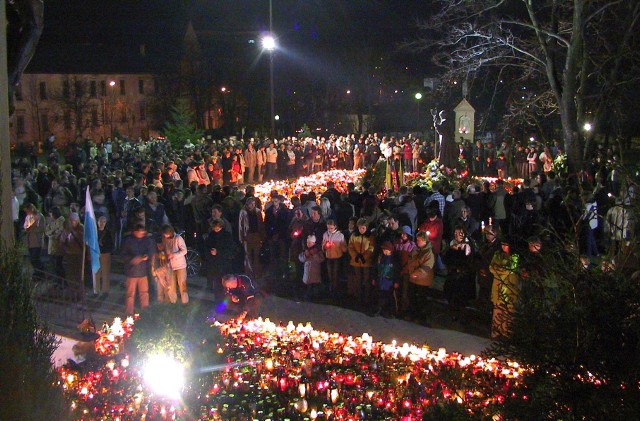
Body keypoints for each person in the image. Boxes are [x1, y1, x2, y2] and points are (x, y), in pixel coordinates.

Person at [120, 224, 155, 316]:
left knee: (144, 293)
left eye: (143, 232)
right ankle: (129, 313)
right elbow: (123, 255)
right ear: (135, 232)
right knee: (130, 294)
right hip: (131, 273)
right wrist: (133, 259)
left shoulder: (146, 241)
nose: (141, 233)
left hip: (143, 272)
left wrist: (147, 256)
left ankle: (145, 313)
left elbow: (151, 251)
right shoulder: (128, 241)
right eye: (139, 232)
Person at [489, 239, 520, 338]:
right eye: (502, 244)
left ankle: (506, 333)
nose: (503, 247)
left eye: (506, 245)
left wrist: (498, 269)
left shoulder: (515, 256)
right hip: (498, 287)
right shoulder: (498, 254)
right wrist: (500, 269)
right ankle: (496, 332)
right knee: (497, 310)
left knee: (508, 311)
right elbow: (491, 267)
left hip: (509, 287)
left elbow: (510, 269)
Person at [444, 226, 475, 320]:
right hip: (452, 274)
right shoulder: (452, 244)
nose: (456, 235)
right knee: (450, 292)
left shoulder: (467, 245)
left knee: (460, 296)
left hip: (462, 276)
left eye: (459, 233)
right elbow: (447, 257)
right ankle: (453, 311)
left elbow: (466, 260)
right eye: (455, 233)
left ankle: (460, 314)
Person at [405, 231, 435, 322]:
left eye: (419, 240)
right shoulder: (415, 250)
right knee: (412, 297)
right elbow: (410, 260)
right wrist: (411, 271)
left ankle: (421, 317)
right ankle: (413, 314)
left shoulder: (429, 253)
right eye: (417, 240)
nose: (417, 242)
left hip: (422, 281)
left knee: (421, 299)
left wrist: (414, 274)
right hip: (413, 279)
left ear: (424, 240)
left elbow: (425, 268)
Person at [348, 218, 375, 304]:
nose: (361, 230)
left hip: (366, 262)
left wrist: (364, 257)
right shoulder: (354, 236)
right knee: (358, 279)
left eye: (363, 228)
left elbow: (371, 248)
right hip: (356, 261)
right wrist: (356, 256)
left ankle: (367, 298)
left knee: (367, 280)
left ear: (366, 228)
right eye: (360, 228)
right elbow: (350, 247)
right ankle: (358, 297)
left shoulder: (370, 237)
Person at [161, 224, 189, 304]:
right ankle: (172, 301)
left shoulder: (178, 238)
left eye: (166, 234)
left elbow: (184, 250)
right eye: (164, 234)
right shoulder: (165, 239)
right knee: (171, 284)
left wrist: (174, 255)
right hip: (170, 266)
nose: (165, 236)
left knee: (182, 283)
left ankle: (185, 301)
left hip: (180, 265)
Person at [205, 218, 234, 293]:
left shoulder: (227, 235)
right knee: (217, 280)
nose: (216, 230)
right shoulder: (211, 235)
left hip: (224, 262)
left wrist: (218, 252)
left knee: (225, 280)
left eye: (218, 228)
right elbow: (207, 246)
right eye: (214, 228)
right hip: (214, 263)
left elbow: (229, 249)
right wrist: (210, 252)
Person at [239, 197, 265, 279]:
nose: (252, 205)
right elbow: (240, 226)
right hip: (248, 235)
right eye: (251, 204)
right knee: (248, 255)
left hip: (256, 235)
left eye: (253, 204)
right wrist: (241, 238)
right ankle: (249, 273)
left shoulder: (257, 212)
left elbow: (261, 224)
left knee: (256, 254)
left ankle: (257, 272)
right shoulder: (243, 212)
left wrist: (262, 236)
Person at [60, 212, 85, 295]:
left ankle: (79, 292)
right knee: (70, 274)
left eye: (73, 220)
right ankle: (73, 290)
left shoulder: (81, 229)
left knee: (78, 274)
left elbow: (85, 242)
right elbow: (62, 241)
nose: (72, 222)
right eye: (70, 220)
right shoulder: (67, 230)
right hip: (69, 254)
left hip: (79, 255)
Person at [373, 241, 399, 317]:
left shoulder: (394, 259)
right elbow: (376, 268)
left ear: (391, 250)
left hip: (389, 281)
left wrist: (396, 281)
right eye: (384, 250)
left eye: (387, 251)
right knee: (379, 296)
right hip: (381, 280)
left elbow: (396, 271)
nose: (385, 252)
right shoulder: (380, 257)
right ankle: (378, 309)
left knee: (388, 297)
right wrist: (374, 278)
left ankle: (388, 311)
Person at [322, 219, 347, 293]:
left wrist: (336, 245)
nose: (329, 230)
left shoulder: (340, 235)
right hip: (329, 257)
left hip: (337, 257)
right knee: (330, 273)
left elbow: (344, 248)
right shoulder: (325, 234)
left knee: (335, 273)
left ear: (335, 227)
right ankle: (331, 287)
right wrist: (325, 246)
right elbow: (323, 246)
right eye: (328, 228)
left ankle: (335, 288)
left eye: (331, 228)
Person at [151, 237, 177, 304]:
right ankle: (160, 303)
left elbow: (170, 263)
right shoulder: (155, 254)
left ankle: (169, 302)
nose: (160, 247)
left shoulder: (168, 251)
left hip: (167, 272)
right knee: (159, 289)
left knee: (168, 288)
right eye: (158, 245)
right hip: (159, 273)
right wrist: (155, 275)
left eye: (161, 245)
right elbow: (153, 265)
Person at [299, 234, 325, 301]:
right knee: (308, 287)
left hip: (315, 273)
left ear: (313, 243)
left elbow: (321, 260)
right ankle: (308, 296)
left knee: (315, 287)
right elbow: (301, 259)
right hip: (307, 274)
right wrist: (305, 255)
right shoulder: (305, 250)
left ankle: (316, 297)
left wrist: (315, 255)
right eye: (307, 242)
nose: (308, 244)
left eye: (309, 242)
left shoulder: (317, 251)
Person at [94, 216, 114, 297]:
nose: (101, 223)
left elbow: (111, 245)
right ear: (97, 222)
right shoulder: (94, 231)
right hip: (96, 254)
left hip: (105, 254)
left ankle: (105, 291)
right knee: (96, 273)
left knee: (105, 273)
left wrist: (104, 245)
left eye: (103, 222)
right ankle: (96, 290)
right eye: (100, 221)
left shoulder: (108, 232)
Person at [45, 206, 65, 278]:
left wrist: (53, 232)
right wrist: (52, 231)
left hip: (58, 246)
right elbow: (47, 231)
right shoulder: (51, 221)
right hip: (51, 246)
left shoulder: (61, 220)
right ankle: (56, 280)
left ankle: (61, 281)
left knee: (58, 265)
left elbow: (59, 231)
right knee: (53, 265)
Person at [23, 203, 44, 271]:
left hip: (37, 241)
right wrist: (27, 228)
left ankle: (40, 273)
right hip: (30, 242)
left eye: (28, 211)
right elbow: (25, 226)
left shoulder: (40, 216)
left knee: (36, 259)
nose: (27, 213)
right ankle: (37, 273)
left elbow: (42, 228)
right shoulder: (28, 217)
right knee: (32, 259)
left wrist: (33, 227)